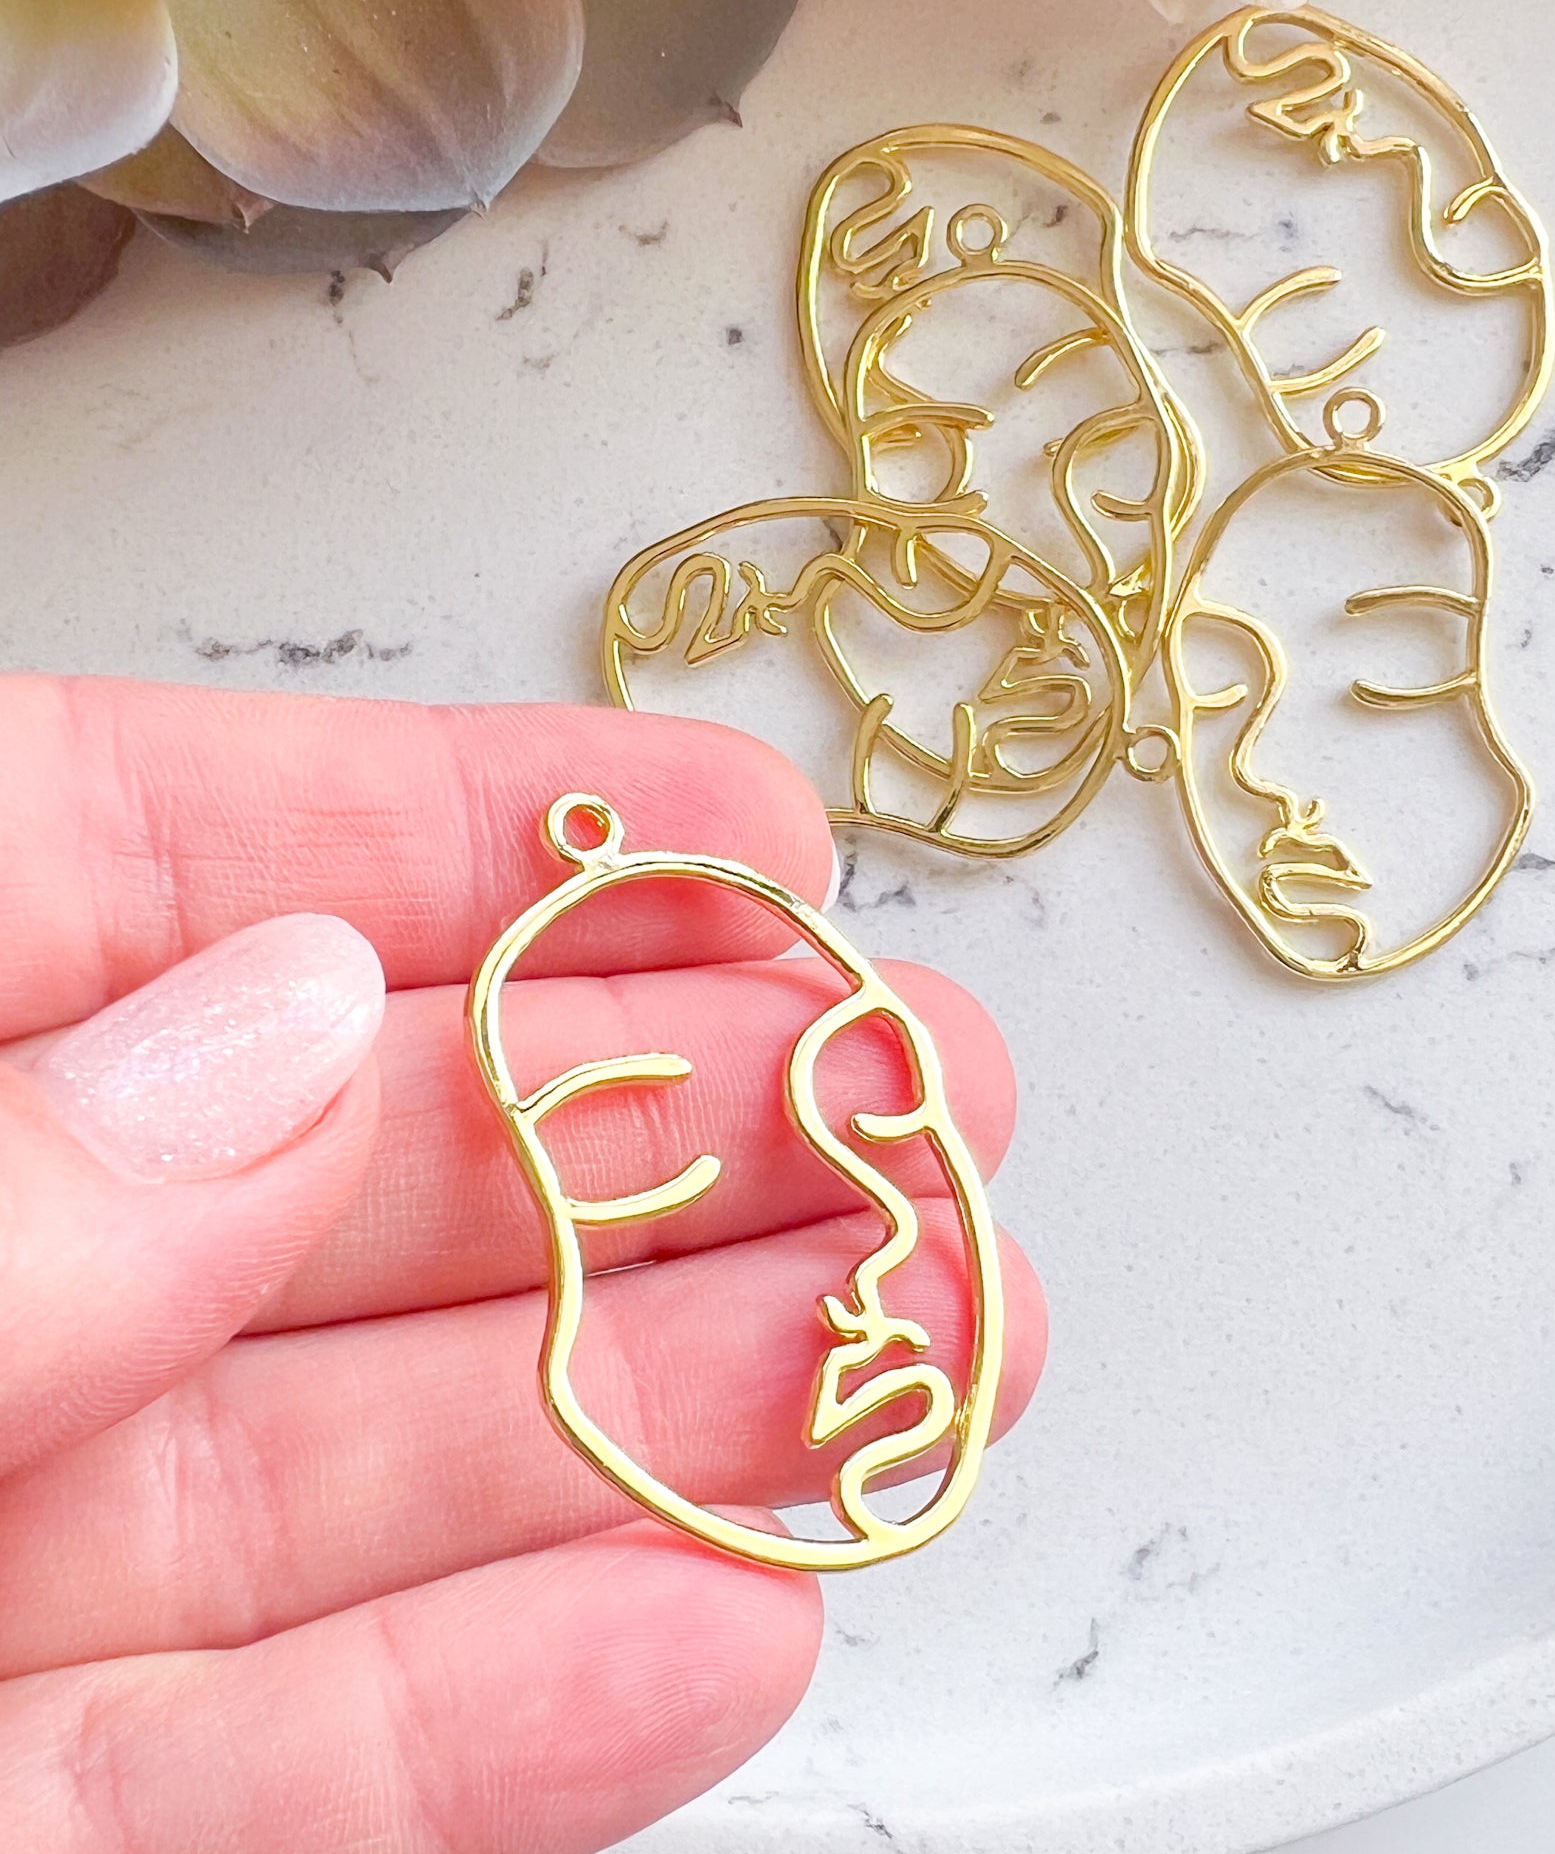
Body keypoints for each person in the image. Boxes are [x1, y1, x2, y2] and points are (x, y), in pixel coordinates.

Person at [0, 675, 1046, 1852]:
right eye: (595, 1132)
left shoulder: (867, 1255)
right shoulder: (602, 1372)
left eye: (832, 1084)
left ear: (881, 1079)